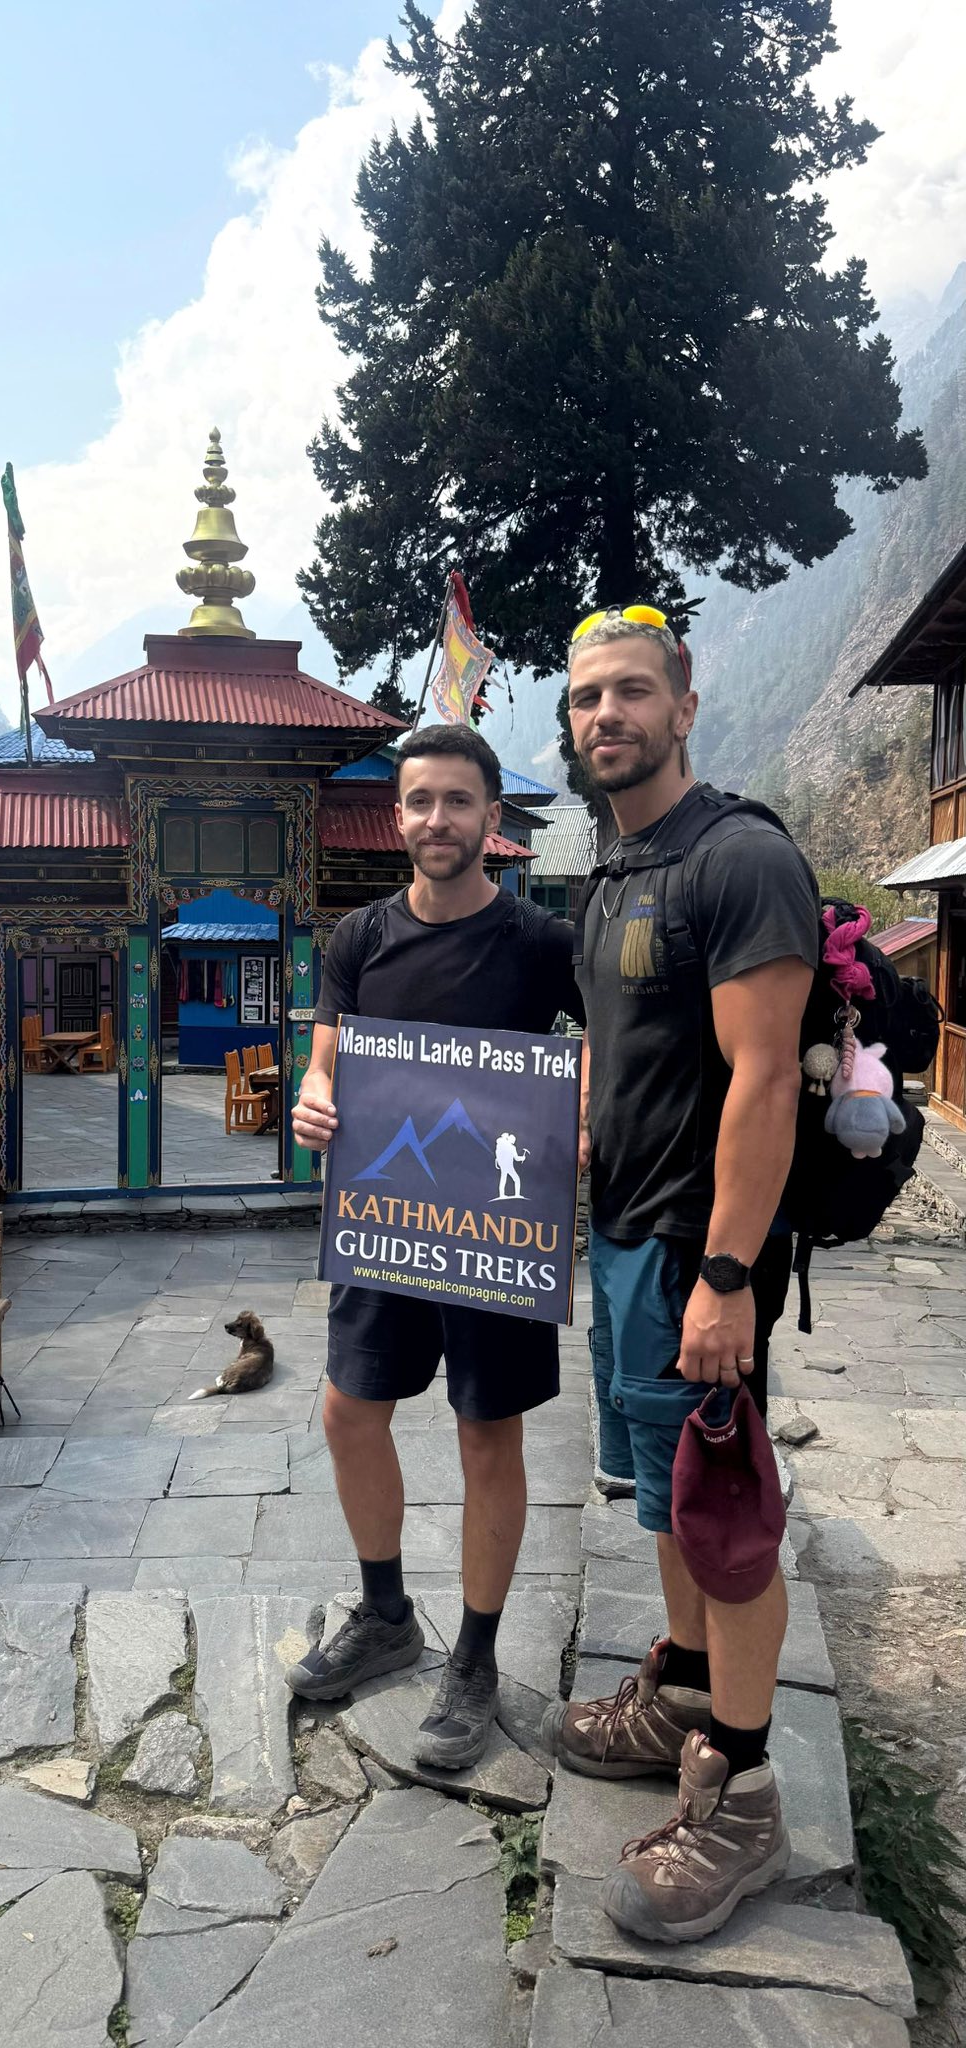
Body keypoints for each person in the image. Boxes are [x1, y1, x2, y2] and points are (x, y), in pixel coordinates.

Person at [543, 604, 818, 1944]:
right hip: (622, 1241)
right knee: (665, 1495)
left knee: (727, 1518)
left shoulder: (737, 858)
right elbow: (622, 1045)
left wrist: (725, 1271)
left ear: (685, 705)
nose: (609, 714)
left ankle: (746, 1789)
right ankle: (688, 1689)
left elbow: (764, 1079)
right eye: (589, 696)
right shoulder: (609, 874)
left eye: (634, 691)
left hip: (690, 1252)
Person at [288, 722, 583, 1767]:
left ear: (491, 817)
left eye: (458, 801)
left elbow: (607, 1041)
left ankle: (476, 1655)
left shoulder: (541, 942)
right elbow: (326, 1057)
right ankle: (385, 1614)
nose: (437, 819)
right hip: (386, 1217)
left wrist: (584, 1108)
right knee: (347, 1409)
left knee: (486, 1433)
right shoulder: (358, 938)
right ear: (398, 815)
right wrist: (313, 1097)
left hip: (497, 1228)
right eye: (420, 801)